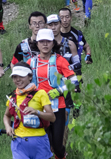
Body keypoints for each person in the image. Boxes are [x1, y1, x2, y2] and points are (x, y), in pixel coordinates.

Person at [29, 29, 79, 159]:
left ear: (53, 43)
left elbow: (73, 80)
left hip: (58, 106)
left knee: (57, 145)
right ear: (37, 44)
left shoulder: (60, 61)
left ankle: (61, 156)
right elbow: (22, 82)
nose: (45, 44)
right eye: (42, 41)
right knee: (44, 143)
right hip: (39, 108)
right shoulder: (31, 62)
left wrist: (60, 90)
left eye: (48, 41)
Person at [3, 62, 56, 159]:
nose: (17, 80)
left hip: (39, 142)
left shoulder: (41, 94)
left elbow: (52, 117)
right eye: (15, 77)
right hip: (18, 142)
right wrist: (7, 127)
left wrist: (37, 112)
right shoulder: (12, 97)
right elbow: (6, 115)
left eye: (21, 76)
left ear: (30, 76)